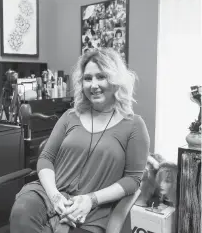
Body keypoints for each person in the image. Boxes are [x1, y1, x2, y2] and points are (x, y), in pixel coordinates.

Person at [10, 48, 150, 233]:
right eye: (88, 78)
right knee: (21, 213)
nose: (93, 85)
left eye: (101, 77)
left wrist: (90, 199)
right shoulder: (70, 116)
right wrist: (55, 197)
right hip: (50, 194)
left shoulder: (133, 125)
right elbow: (46, 158)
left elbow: (133, 179)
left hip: (94, 206)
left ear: (116, 81)